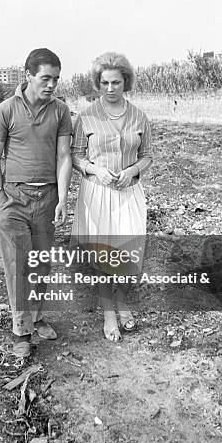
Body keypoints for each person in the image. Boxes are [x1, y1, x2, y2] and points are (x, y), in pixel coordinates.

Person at [0, 48, 72, 357]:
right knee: (17, 264)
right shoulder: (6, 110)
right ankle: (21, 331)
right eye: (45, 78)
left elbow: (64, 157)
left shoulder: (61, 110)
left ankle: (37, 317)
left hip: (47, 198)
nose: (51, 85)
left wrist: (63, 198)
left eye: (56, 79)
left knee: (41, 263)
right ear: (28, 76)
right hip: (14, 199)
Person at [71, 52, 152, 342]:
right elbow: (76, 155)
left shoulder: (139, 116)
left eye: (116, 82)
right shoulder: (87, 116)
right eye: (104, 82)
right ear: (98, 83)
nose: (110, 88)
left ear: (125, 82)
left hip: (129, 193)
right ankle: (108, 313)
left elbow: (147, 156)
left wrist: (132, 171)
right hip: (98, 194)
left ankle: (122, 302)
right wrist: (94, 169)